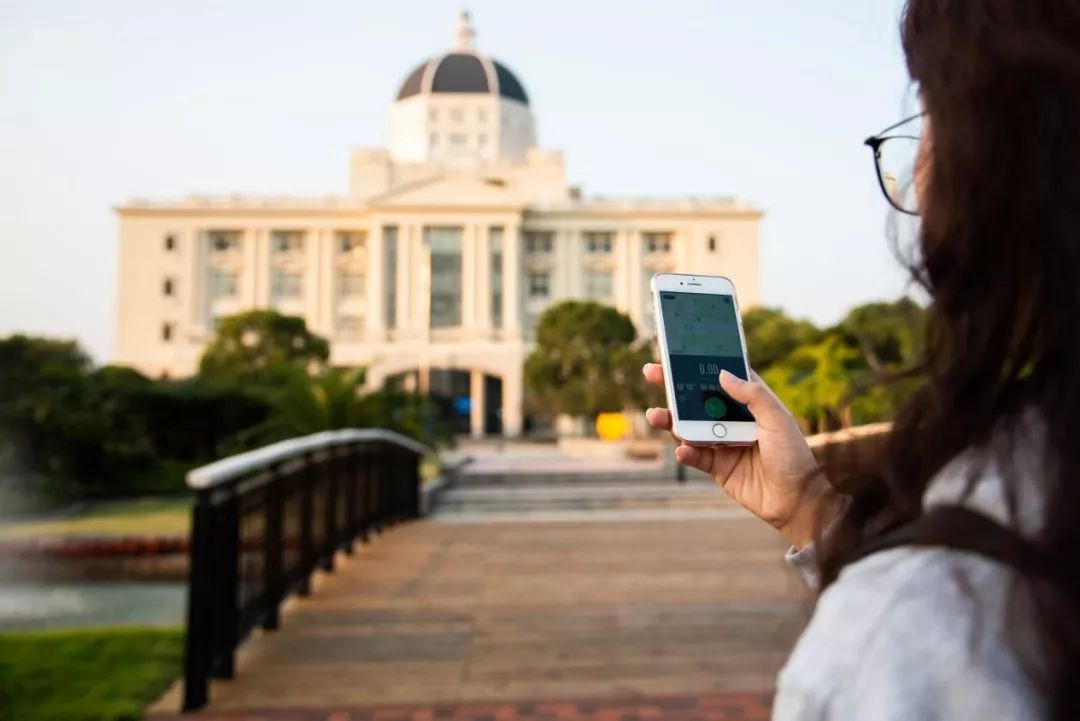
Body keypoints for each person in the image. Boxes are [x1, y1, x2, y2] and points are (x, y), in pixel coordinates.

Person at [644, 1, 1080, 719]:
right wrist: (811, 509)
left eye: (930, 108)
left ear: (995, 170)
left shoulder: (907, 629)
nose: (913, 163)